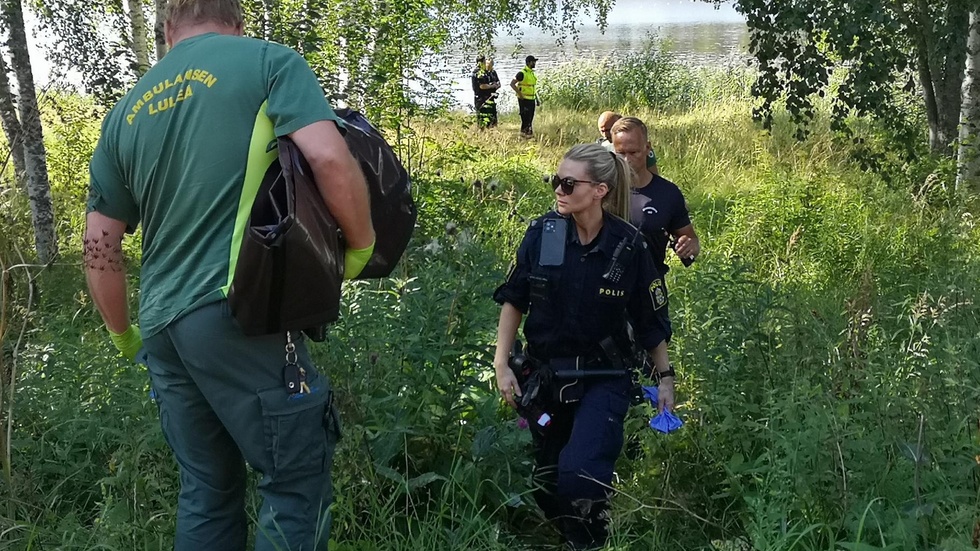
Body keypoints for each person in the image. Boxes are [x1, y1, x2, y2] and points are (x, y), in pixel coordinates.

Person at [83, 0, 375, 549]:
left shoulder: (125, 112)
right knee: (294, 484)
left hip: (165, 330)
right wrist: (358, 249)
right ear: (237, 23)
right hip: (237, 313)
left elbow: (100, 242)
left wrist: (124, 334)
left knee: (206, 490)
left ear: (168, 31)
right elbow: (330, 159)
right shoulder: (268, 62)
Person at [492, 143, 674, 549]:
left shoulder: (627, 247)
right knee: (548, 482)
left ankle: (590, 541)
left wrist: (665, 378)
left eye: (568, 182)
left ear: (600, 191)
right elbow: (514, 299)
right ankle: (574, 531)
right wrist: (502, 362)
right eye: (555, 180)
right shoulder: (545, 235)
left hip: (603, 378)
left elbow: (651, 321)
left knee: (580, 477)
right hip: (545, 377)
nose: (558, 188)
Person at [612, 116, 698, 274]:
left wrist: (688, 246)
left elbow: (691, 239)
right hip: (605, 289)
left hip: (649, 288)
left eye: (633, 152)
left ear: (647, 148)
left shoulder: (668, 193)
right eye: (620, 153)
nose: (626, 160)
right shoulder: (602, 191)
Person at [598, 111, 658, 175]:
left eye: (608, 130)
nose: (605, 135)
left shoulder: (641, 147)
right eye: (602, 131)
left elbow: (654, 175)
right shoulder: (601, 148)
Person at [510, 55, 539, 137]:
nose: (535, 63)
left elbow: (532, 87)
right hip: (524, 100)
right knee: (525, 119)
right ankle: (524, 135)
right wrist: (520, 94)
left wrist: (537, 99)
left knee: (530, 119)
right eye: (534, 62)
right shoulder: (521, 73)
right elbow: (512, 84)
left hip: (532, 99)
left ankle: (529, 134)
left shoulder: (531, 73)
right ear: (529, 62)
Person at [471, 55, 501, 128]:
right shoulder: (478, 72)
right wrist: (492, 86)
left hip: (489, 97)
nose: (485, 64)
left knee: (492, 120)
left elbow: (496, 83)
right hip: (481, 99)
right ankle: (482, 136)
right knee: (483, 121)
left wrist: (494, 86)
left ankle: (492, 135)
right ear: (480, 63)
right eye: (484, 62)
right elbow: (482, 86)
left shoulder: (487, 72)